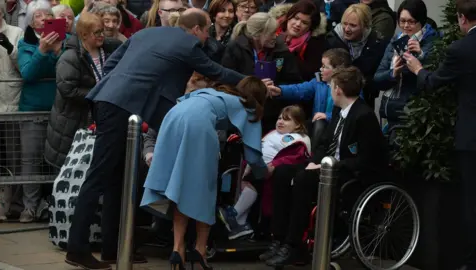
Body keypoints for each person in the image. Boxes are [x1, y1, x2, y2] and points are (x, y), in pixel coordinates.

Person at [65, 8, 246, 270]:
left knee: (118, 177)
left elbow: (113, 64)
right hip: (122, 107)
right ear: (196, 29)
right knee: (99, 176)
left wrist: (116, 87)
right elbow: (216, 71)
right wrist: (251, 82)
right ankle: (77, 249)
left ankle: (112, 248)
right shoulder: (188, 44)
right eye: (206, 30)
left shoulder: (145, 33)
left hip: (108, 99)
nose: (206, 37)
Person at [260, 66, 389, 267]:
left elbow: (367, 159)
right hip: (326, 165)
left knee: (304, 180)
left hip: (347, 174)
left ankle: (295, 245)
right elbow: (324, 143)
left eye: (331, 87)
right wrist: (314, 161)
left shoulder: (363, 116)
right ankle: (279, 238)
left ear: (337, 89)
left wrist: (329, 166)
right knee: (283, 172)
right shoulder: (340, 112)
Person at [141, 76, 269, 269]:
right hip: (198, 125)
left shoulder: (218, 93)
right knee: (205, 190)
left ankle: (178, 249)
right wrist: (263, 174)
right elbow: (253, 154)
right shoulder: (249, 107)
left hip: (173, 117)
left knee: (180, 187)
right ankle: (200, 251)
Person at [403, 0, 476, 268]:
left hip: (471, 139)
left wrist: (418, 69)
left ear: (461, 18)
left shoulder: (461, 48)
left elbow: (434, 82)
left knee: (471, 204)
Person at [218, 105, 311, 240]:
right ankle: (241, 225)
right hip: (257, 168)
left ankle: (234, 215)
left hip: (277, 175)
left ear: (297, 125)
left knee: (254, 181)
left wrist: (273, 165)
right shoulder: (273, 133)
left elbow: (294, 158)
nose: (280, 122)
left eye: (286, 120)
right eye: (279, 118)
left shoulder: (298, 139)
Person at [45, 13, 121, 169]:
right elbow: (68, 90)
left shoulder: (109, 49)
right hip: (71, 125)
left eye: (102, 31)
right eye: (97, 33)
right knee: (70, 174)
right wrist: (99, 94)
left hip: (98, 120)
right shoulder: (70, 57)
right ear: (84, 35)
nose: (102, 36)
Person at [17, 0, 68, 223]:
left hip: (58, 110)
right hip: (32, 111)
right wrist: (41, 51)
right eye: (38, 15)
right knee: (30, 161)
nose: (43, 18)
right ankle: (29, 206)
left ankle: (55, 206)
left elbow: (66, 74)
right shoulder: (26, 44)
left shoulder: (65, 43)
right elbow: (28, 73)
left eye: (48, 15)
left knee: (58, 160)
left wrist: (58, 53)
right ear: (30, 20)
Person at [222, 12, 301, 134]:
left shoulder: (281, 51)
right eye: (271, 33)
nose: (275, 36)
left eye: (276, 32)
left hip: (271, 115)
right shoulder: (235, 48)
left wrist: (277, 89)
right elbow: (226, 81)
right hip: (241, 112)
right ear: (256, 35)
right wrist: (254, 86)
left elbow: (294, 80)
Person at [374, 0, 438, 143]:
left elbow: (431, 77)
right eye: (402, 21)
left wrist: (421, 56)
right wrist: (393, 73)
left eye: (411, 21)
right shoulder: (396, 40)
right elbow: (377, 78)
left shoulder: (432, 41)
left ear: (421, 21)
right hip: (389, 110)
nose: (405, 26)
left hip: (412, 114)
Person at [325, 3, 387, 108]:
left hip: (365, 99)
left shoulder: (376, 43)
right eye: (344, 23)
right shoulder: (332, 41)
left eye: (353, 25)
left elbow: (377, 76)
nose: (347, 29)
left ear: (365, 26)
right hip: (334, 98)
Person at [268, 48, 351, 124]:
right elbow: (300, 90)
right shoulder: (318, 82)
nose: (320, 69)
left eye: (325, 67)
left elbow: (351, 111)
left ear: (337, 70)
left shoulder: (350, 87)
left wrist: (328, 116)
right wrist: (280, 90)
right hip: (316, 126)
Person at [0, 0, 24, 222]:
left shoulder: (16, 32)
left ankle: (13, 203)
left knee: (13, 157)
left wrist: (9, 47)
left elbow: (24, 64)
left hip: (12, 102)